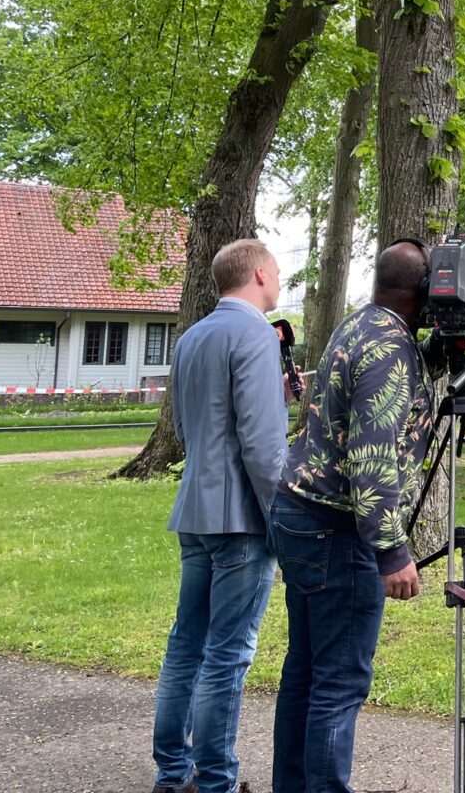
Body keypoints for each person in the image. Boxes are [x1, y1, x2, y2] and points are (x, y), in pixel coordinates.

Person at [269, 240, 438, 793]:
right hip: (336, 528)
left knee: (306, 671)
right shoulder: (391, 349)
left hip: (299, 510)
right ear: (422, 292)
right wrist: (392, 550)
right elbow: (371, 458)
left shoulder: (362, 325)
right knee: (338, 683)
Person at [151, 239, 287, 793]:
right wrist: (281, 514)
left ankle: (171, 771)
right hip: (242, 519)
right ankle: (216, 780)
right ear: (259, 273)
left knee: (186, 644)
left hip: (195, 509)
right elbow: (261, 442)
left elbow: (184, 430)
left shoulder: (190, 338)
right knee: (228, 653)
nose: (279, 282)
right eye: (277, 273)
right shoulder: (256, 333)